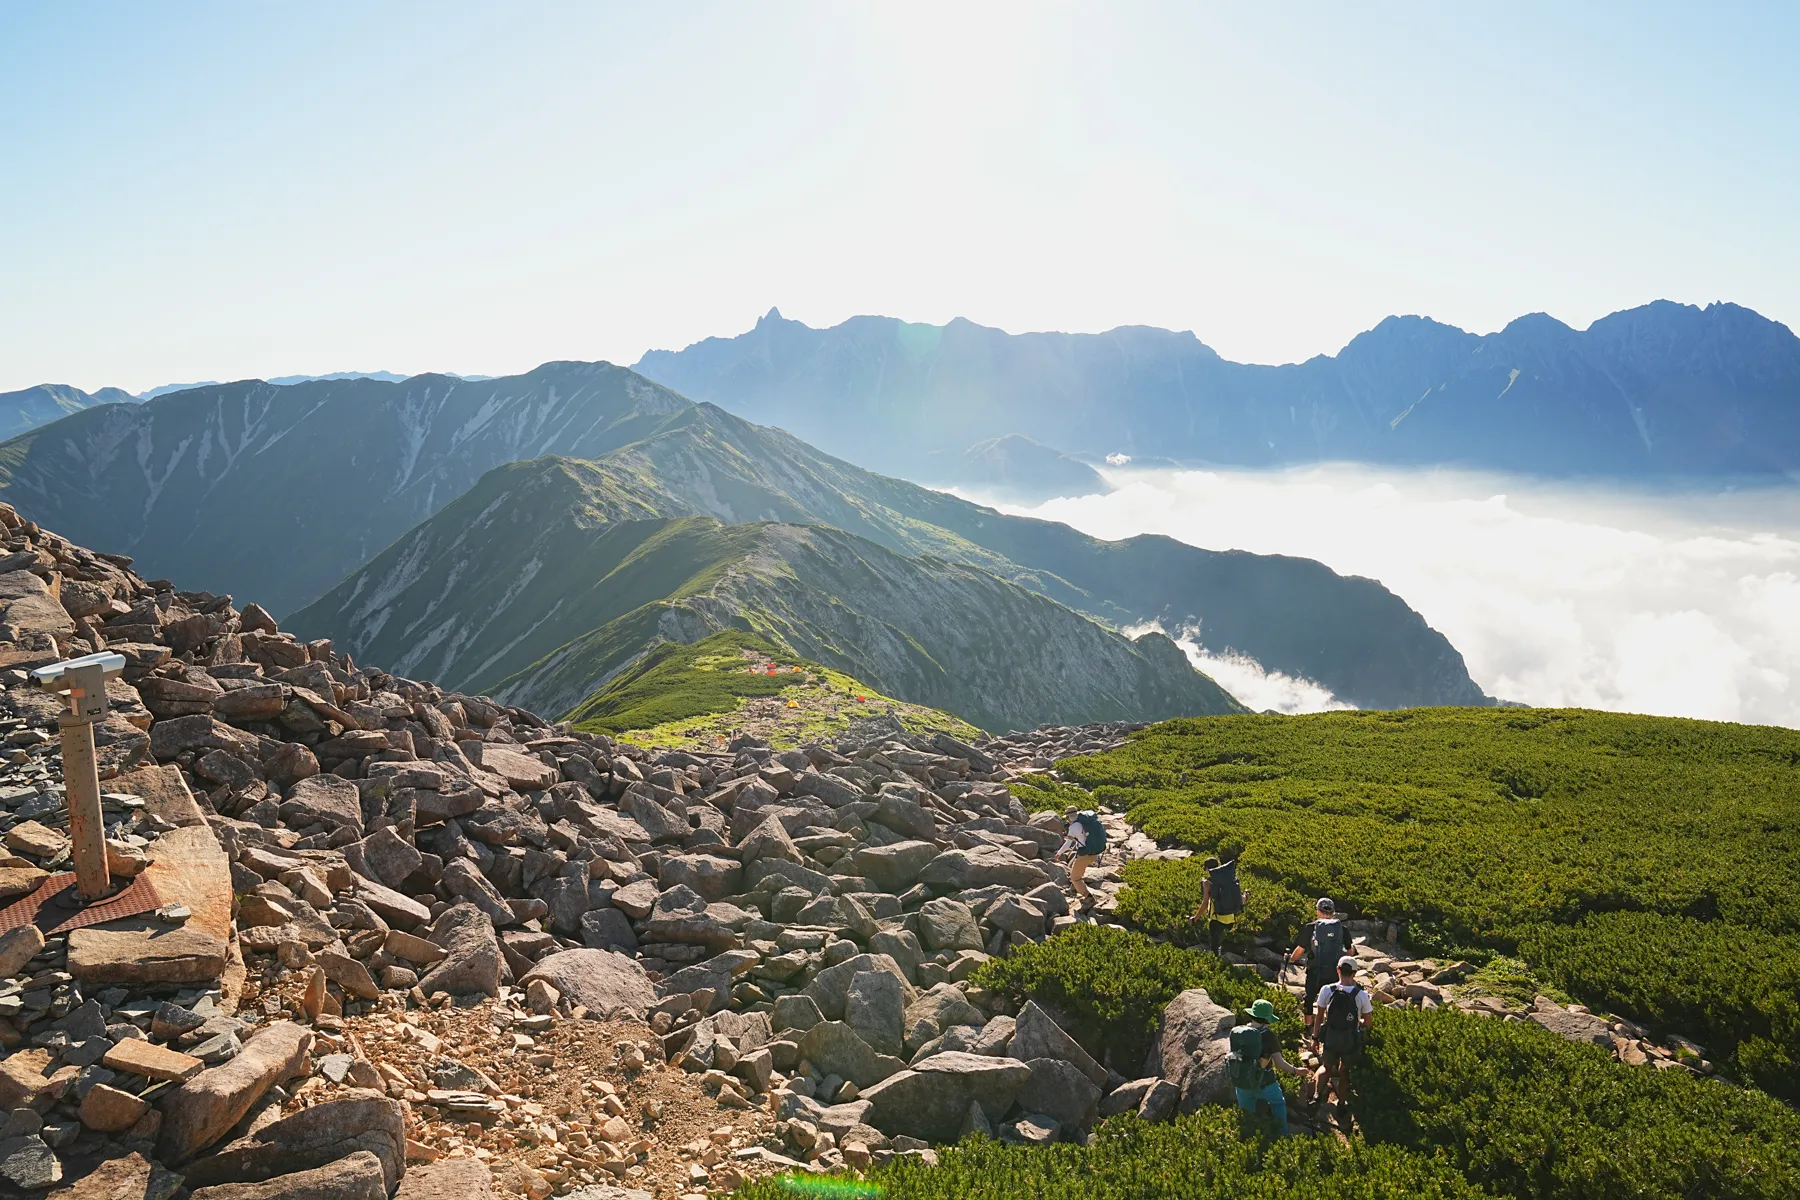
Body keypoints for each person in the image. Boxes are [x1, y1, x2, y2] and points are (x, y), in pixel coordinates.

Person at [1227, 998, 1301, 1136]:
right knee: (1278, 1103)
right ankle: (1282, 1136)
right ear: (1267, 1019)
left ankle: (1249, 1140)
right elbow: (1279, 1064)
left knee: (1247, 1116)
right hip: (1265, 1083)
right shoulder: (1268, 1035)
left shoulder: (1238, 1032)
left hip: (1242, 1083)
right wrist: (1296, 1071)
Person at [1309, 954, 1374, 1112]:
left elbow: (1319, 1016)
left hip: (1330, 1036)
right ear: (1354, 973)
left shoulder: (1327, 990)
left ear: (1338, 970)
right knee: (1344, 1071)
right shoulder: (1361, 995)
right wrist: (1358, 1022)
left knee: (1326, 1067)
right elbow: (1369, 1023)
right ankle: (1341, 1104)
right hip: (1349, 1039)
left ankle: (1317, 1095)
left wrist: (1315, 1038)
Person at [1285, 898, 1348, 1020]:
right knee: (1334, 1000)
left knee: (1309, 999)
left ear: (1318, 911)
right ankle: (1329, 1026)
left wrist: (1291, 959)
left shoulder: (1311, 927)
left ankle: (1308, 1027)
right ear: (1333, 912)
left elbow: (1300, 950)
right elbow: (1349, 952)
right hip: (1335, 973)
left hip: (1315, 971)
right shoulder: (1342, 929)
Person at [1189, 855, 1246, 954]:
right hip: (1232, 917)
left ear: (1207, 869)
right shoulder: (1229, 879)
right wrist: (1246, 895)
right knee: (1227, 946)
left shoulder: (1207, 883)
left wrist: (1195, 918)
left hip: (1216, 918)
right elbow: (1240, 898)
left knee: (1214, 947)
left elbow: (1205, 903)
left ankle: (1215, 964)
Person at [1056, 807, 1108, 909]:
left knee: (1075, 878)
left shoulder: (1074, 827)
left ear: (1069, 817)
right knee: (1073, 866)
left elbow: (1068, 844)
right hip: (1094, 852)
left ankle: (1088, 898)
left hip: (1085, 855)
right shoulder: (1085, 821)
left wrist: (1058, 853)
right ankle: (1074, 888)